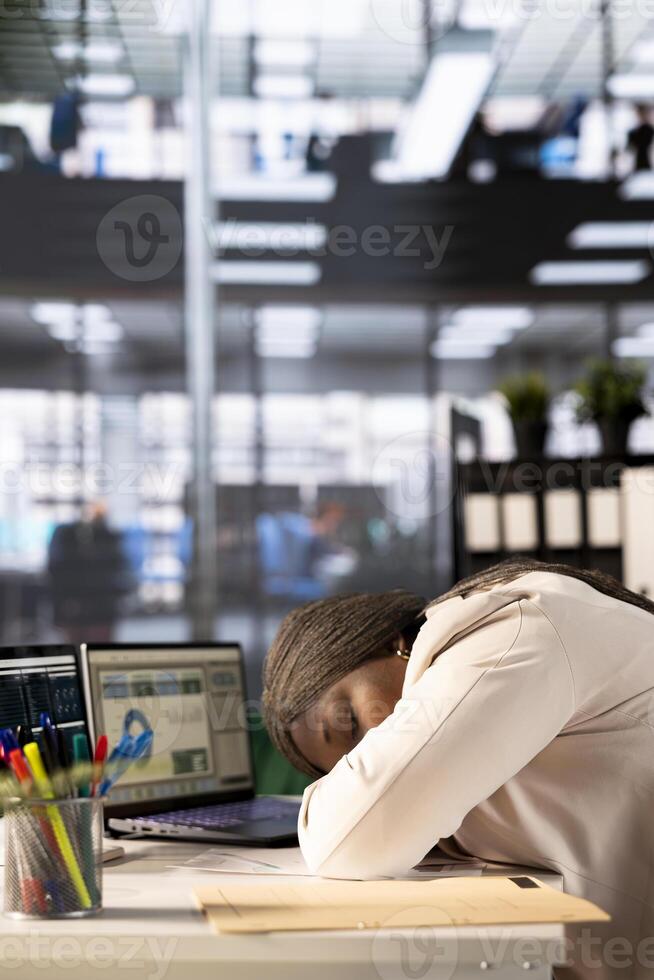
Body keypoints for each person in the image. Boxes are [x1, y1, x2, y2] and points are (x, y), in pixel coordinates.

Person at [263, 559, 654, 979]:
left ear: (391, 644)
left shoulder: (509, 635)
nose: (372, 754)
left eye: (351, 721)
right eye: (348, 763)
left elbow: (346, 839)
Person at [47, 500, 132, 644]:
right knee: (75, 647)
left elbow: (120, 569)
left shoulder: (110, 536)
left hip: (101, 604)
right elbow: (56, 570)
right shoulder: (66, 534)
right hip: (75, 602)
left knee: (99, 646)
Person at [627, 104, 654, 173]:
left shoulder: (649, 130)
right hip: (637, 165)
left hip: (647, 165)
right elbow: (629, 148)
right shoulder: (633, 132)